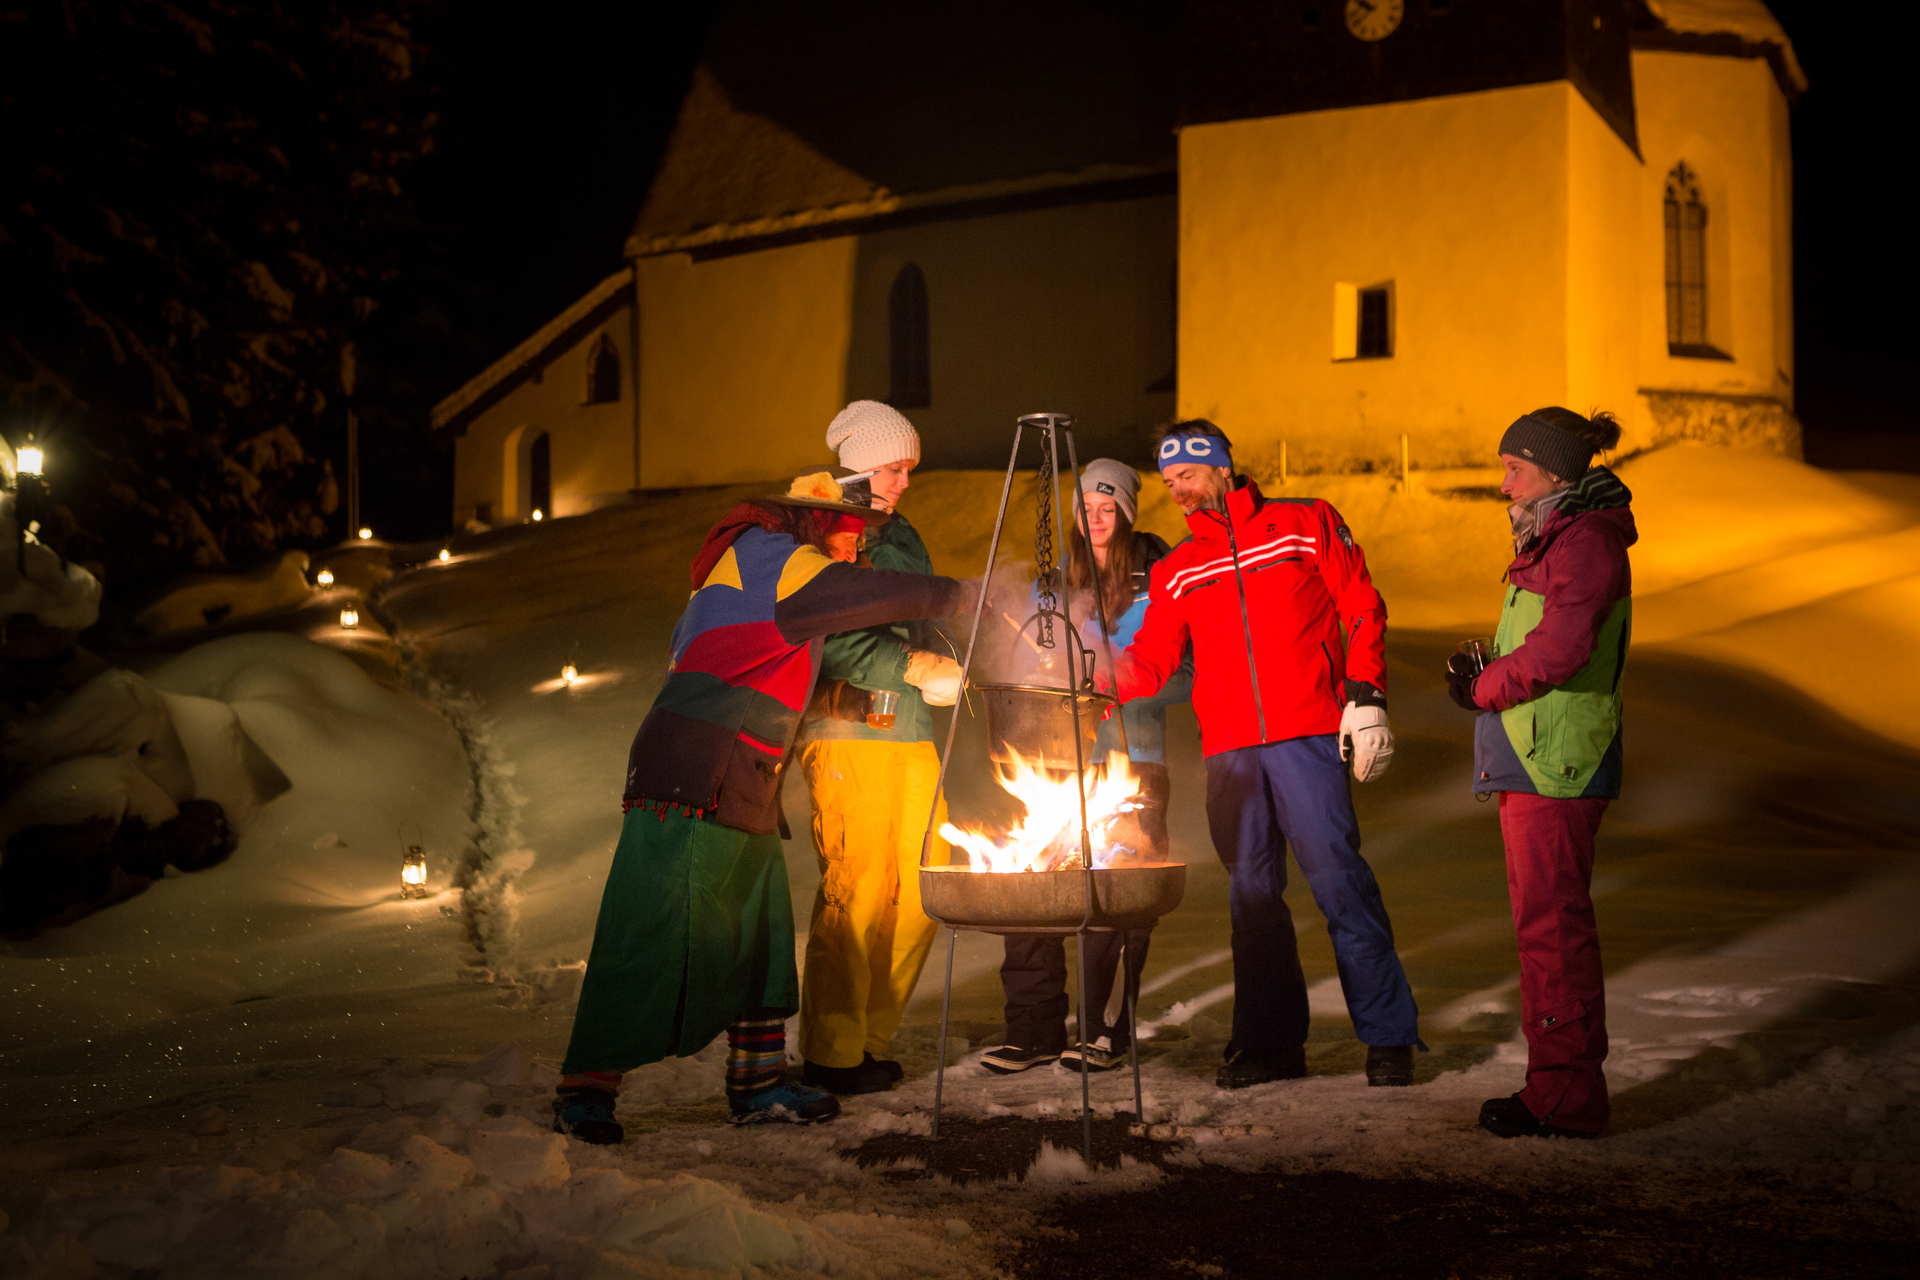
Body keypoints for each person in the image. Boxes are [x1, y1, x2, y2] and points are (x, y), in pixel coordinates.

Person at [551, 471, 969, 1142]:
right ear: (815, 523)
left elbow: (769, 668)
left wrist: (864, 696)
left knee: (761, 932)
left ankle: (759, 1083)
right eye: (848, 535)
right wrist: (960, 595)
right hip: (695, 773)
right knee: (648, 931)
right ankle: (585, 1091)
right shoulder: (771, 556)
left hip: (740, 773)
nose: (855, 550)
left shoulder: (756, 569)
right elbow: (859, 595)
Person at [1111, 420, 1422, 1089]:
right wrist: (1096, 680)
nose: (1178, 490)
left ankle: (1389, 1037)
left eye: (1187, 475)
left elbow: (1361, 605)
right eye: (1168, 481)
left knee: (1339, 882)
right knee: (1251, 900)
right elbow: (1152, 659)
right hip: (1230, 753)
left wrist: (1366, 694)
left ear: (1223, 466)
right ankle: (1271, 1046)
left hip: (1308, 733)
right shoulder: (1176, 569)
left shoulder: (1304, 524)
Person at [1445, 407, 1634, 1140]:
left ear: (1556, 472)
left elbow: (1562, 648)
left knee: (1554, 931)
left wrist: (1485, 687)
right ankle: (1557, 1085)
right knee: (1544, 928)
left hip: (1558, 761)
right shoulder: (1559, 535)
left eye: (1515, 469)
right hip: (1537, 754)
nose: (1504, 485)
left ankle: (1566, 1096)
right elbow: (1545, 640)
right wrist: (1489, 668)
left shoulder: (1585, 539)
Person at [983, 458, 1194, 1076]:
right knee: (1034, 888)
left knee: (1116, 896)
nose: (1096, 520)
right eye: (1086, 510)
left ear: (1126, 513)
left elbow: (1187, 672)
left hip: (1132, 761)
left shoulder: (1160, 577)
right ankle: (1033, 1029)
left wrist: (1116, 684)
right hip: (1053, 762)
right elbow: (1026, 654)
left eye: (1108, 509)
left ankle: (1103, 1029)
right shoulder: (1051, 584)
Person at [795, 401, 965, 1096]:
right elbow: (828, 636)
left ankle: (867, 1041)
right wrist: (913, 667)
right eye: (894, 468)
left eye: (908, 469)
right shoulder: (824, 532)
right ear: (861, 468)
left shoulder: (901, 533)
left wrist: (950, 653)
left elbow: (919, 617)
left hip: (911, 733)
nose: (904, 482)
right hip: (847, 733)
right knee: (857, 891)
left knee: (928, 886)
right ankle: (832, 1054)